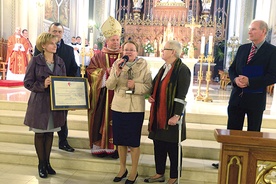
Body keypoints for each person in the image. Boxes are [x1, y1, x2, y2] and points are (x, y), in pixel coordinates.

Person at [212, 20, 276, 169]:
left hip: (255, 100)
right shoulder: (243, 48)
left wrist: (250, 81)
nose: (249, 32)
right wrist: (234, 79)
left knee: (253, 134)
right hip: (237, 99)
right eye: (249, 29)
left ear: (263, 31)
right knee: (232, 133)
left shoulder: (272, 51)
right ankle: (227, 161)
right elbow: (233, 68)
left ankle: (249, 164)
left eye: (253, 29)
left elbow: (273, 76)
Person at [144, 40, 191, 184]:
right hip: (159, 114)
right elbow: (156, 85)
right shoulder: (164, 67)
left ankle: (174, 176)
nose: (162, 51)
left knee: (172, 146)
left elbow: (182, 94)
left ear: (173, 52)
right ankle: (159, 173)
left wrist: (176, 115)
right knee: (159, 143)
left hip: (171, 114)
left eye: (165, 49)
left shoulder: (182, 70)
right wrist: (151, 95)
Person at [106, 40, 152, 184]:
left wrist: (135, 86)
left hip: (135, 108)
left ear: (137, 52)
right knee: (120, 141)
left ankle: (133, 171)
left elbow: (149, 87)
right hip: (119, 106)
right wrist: (117, 73)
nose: (128, 52)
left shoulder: (143, 64)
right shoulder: (117, 64)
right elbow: (109, 85)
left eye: (132, 50)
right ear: (122, 51)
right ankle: (122, 168)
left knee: (133, 142)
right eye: (126, 50)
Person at [23, 32, 66, 178]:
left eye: (56, 43)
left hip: (55, 103)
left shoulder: (60, 61)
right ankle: (41, 164)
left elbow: (65, 83)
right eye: (52, 43)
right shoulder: (35, 61)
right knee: (40, 134)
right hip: (39, 103)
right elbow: (27, 82)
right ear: (43, 46)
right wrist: (43, 84)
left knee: (50, 133)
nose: (55, 45)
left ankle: (47, 163)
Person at [34, 22, 78, 152]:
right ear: (49, 32)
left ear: (63, 34)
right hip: (45, 91)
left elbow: (74, 68)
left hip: (63, 90)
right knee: (47, 119)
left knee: (62, 117)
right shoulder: (39, 48)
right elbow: (35, 69)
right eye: (54, 31)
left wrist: (74, 84)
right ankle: (46, 144)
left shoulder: (69, 50)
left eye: (59, 32)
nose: (56, 34)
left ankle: (63, 141)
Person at [86, 16, 122, 158]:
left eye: (117, 39)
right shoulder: (99, 56)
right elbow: (90, 72)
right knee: (101, 118)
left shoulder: (124, 55)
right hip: (103, 96)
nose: (115, 42)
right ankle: (101, 147)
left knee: (120, 121)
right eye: (112, 39)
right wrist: (105, 73)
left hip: (120, 95)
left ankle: (117, 148)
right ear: (107, 40)